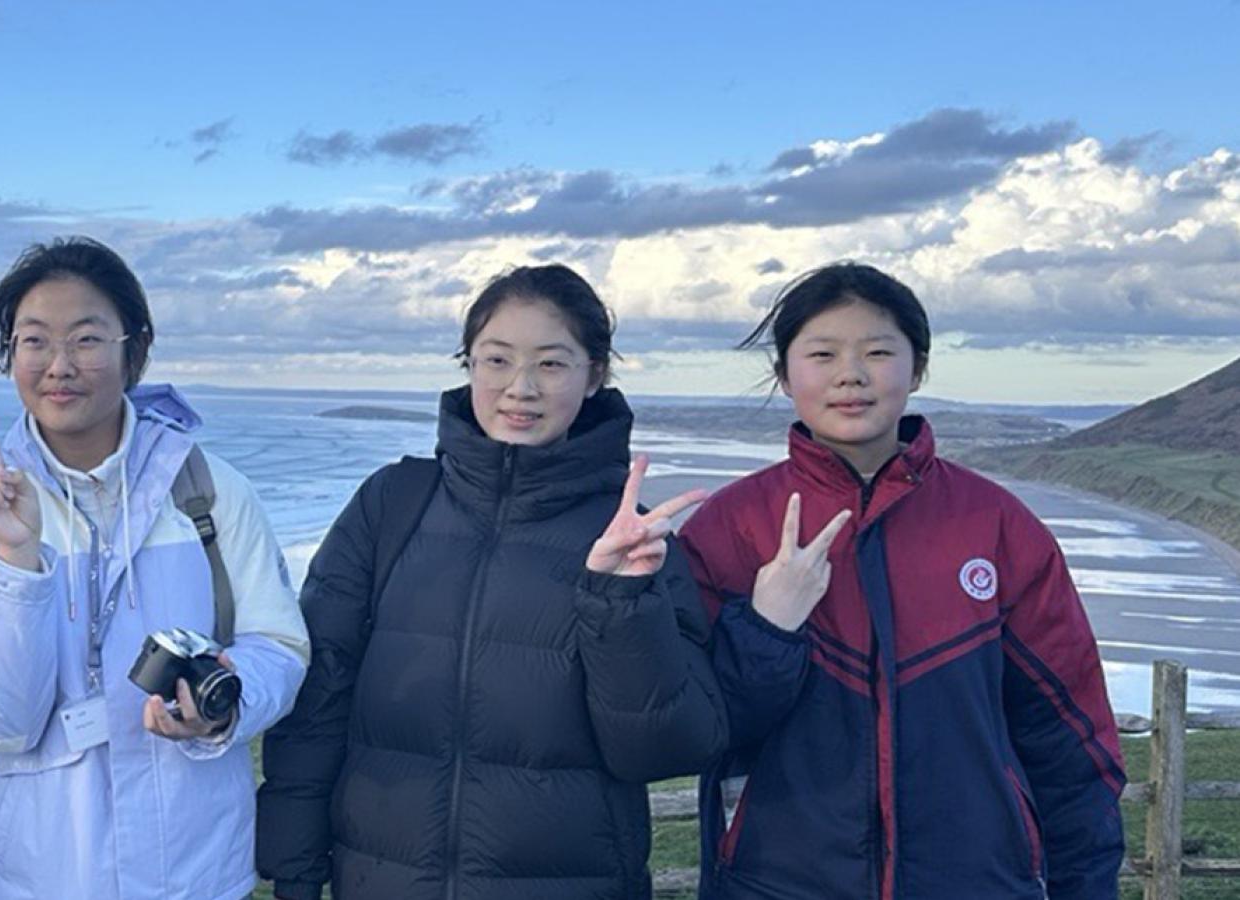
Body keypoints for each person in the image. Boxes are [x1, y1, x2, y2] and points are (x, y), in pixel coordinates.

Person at [256, 264, 728, 900]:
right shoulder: (393, 504)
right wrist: (293, 869)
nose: (520, 388)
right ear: (468, 365)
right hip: (380, 879)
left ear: (595, 375)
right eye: (496, 360)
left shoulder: (632, 540)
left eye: (552, 364)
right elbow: (318, 696)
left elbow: (664, 750)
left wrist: (620, 606)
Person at [680, 262, 1124, 900]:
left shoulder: (994, 524)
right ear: (784, 375)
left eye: (878, 352)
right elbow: (699, 729)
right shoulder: (733, 527)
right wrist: (767, 630)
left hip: (978, 881)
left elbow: (1069, 737)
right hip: (775, 883)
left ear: (917, 369)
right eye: (823, 354)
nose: (851, 374)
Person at [0, 236, 308, 899]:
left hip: (195, 874)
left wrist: (221, 704)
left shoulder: (209, 492)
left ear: (134, 348)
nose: (59, 365)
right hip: (36, 876)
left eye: (87, 339)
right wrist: (19, 561)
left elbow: (279, 645)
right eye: (34, 341)